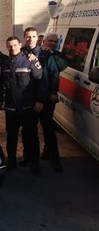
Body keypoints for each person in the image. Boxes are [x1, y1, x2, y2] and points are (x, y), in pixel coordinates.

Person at [2, 36, 46, 175]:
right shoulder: (4, 63)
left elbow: (41, 81)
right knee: (11, 136)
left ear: (20, 45)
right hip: (11, 107)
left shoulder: (30, 60)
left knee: (31, 136)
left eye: (15, 45)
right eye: (9, 45)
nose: (12, 48)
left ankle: (34, 162)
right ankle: (12, 161)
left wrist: (40, 100)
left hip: (28, 106)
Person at [38, 32, 68, 172]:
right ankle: (36, 155)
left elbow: (60, 68)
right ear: (43, 41)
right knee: (31, 129)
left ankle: (54, 158)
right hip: (35, 97)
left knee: (48, 128)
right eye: (50, 40)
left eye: (55, 42)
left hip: (49, 97)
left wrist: (51, 53)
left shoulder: (57, 54)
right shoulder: (37, 52)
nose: (52, 43)